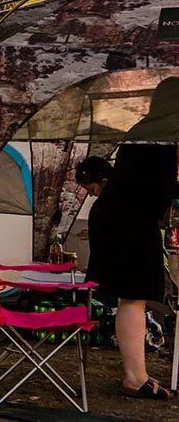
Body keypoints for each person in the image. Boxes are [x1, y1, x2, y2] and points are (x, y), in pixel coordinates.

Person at [76, 149, 175, 400]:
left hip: (126, 220)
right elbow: (159, 191)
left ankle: (135, 374)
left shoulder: (145, 133)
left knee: (131, 300)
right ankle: (134, 377)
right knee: (133, 298)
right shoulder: (159, 134)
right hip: (131, 224)